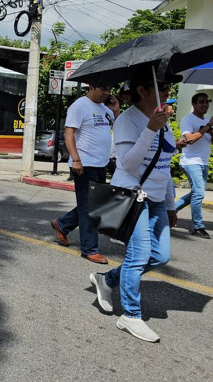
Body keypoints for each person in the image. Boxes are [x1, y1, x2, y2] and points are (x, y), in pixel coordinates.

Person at [90, 76, 177, 343]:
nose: (167, 91)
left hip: (157, 199)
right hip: (135, 196)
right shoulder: (128, 121)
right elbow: (127, 164)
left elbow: (164, 166)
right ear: (142, 89)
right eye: (162, 87)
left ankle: (107, 280)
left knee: (160, 256)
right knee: (139, 256)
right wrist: (150, 129)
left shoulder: (161, 118)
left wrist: (171, 204)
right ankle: (131, 314)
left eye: (168, 87)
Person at [50, 84, 119, 264]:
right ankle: (90, 249)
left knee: (93, 204)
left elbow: (117, 129)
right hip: (84, 164)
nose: (107, 92)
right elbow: (69, 133)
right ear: (91, 87)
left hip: (100, 164)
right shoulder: (79, 105)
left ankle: (62, 224)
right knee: (90, 207)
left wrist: (116, 111)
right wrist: (76, 159)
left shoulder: (106, 109)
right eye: (103, 89)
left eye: (108, 90)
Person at [175, 92, 212, 239]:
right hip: (191, 161)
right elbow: (189, 139)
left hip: (203, 161)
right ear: (194, 104)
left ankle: (169, 210)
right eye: (201, 102)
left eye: (207, 102)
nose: (205, 105)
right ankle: (197, 226)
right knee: (199, 193)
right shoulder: (188, 119)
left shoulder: (209, 120)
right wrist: (207, 126)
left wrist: (211, 128)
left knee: (195, 193)